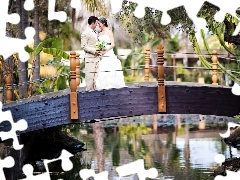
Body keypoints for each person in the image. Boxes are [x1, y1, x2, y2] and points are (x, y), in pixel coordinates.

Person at [95, 16, 126, 90]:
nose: (98, 25)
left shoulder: (109, 31)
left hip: (109, 52)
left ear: (103, 23)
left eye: (99, 23)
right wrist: (99, 49)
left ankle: (111, 85)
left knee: (110, 67)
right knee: (102, 67)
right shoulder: (99, 34)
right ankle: (103, 86)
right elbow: (98, 44)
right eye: (97, 24)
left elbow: (112, 44)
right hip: (102, 54)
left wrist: (106, 50)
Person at [81, 16, 101, 91]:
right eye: (96, 23)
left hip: (97, 59)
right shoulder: (85, 33)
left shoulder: (95, 32)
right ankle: (89, 97)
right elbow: (84, 46)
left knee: (96, 79)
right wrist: (94, 51)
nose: (97, 25)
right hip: (90, 59)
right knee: (89, 78)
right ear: (92, 23)